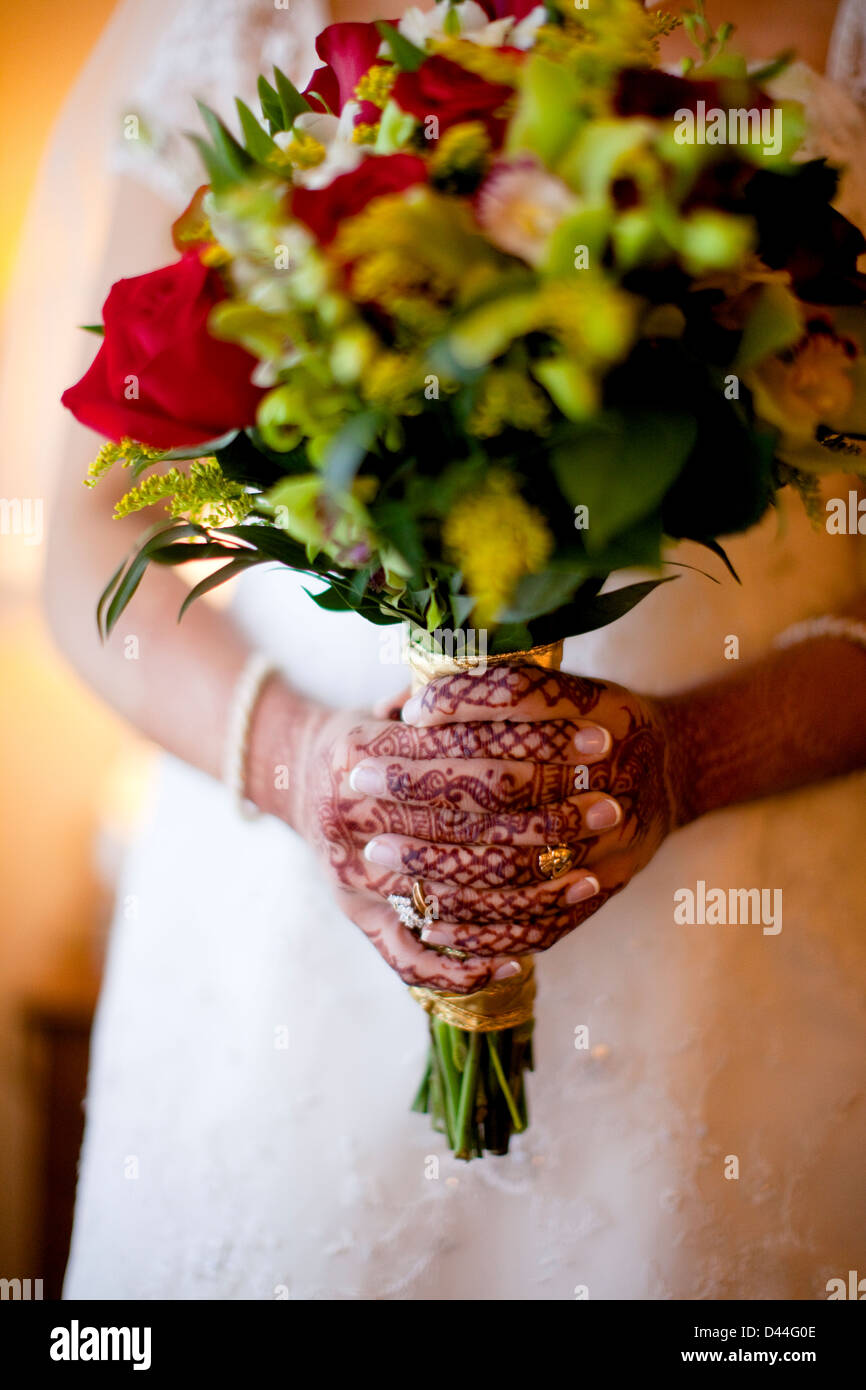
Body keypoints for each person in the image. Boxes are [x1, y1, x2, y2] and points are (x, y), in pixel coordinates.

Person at [37, 0, 866, 1298]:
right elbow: (86, 537)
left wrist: (684, 760)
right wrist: (304, 764)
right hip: (286, 936)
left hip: (737, 954)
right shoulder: (232, 22)